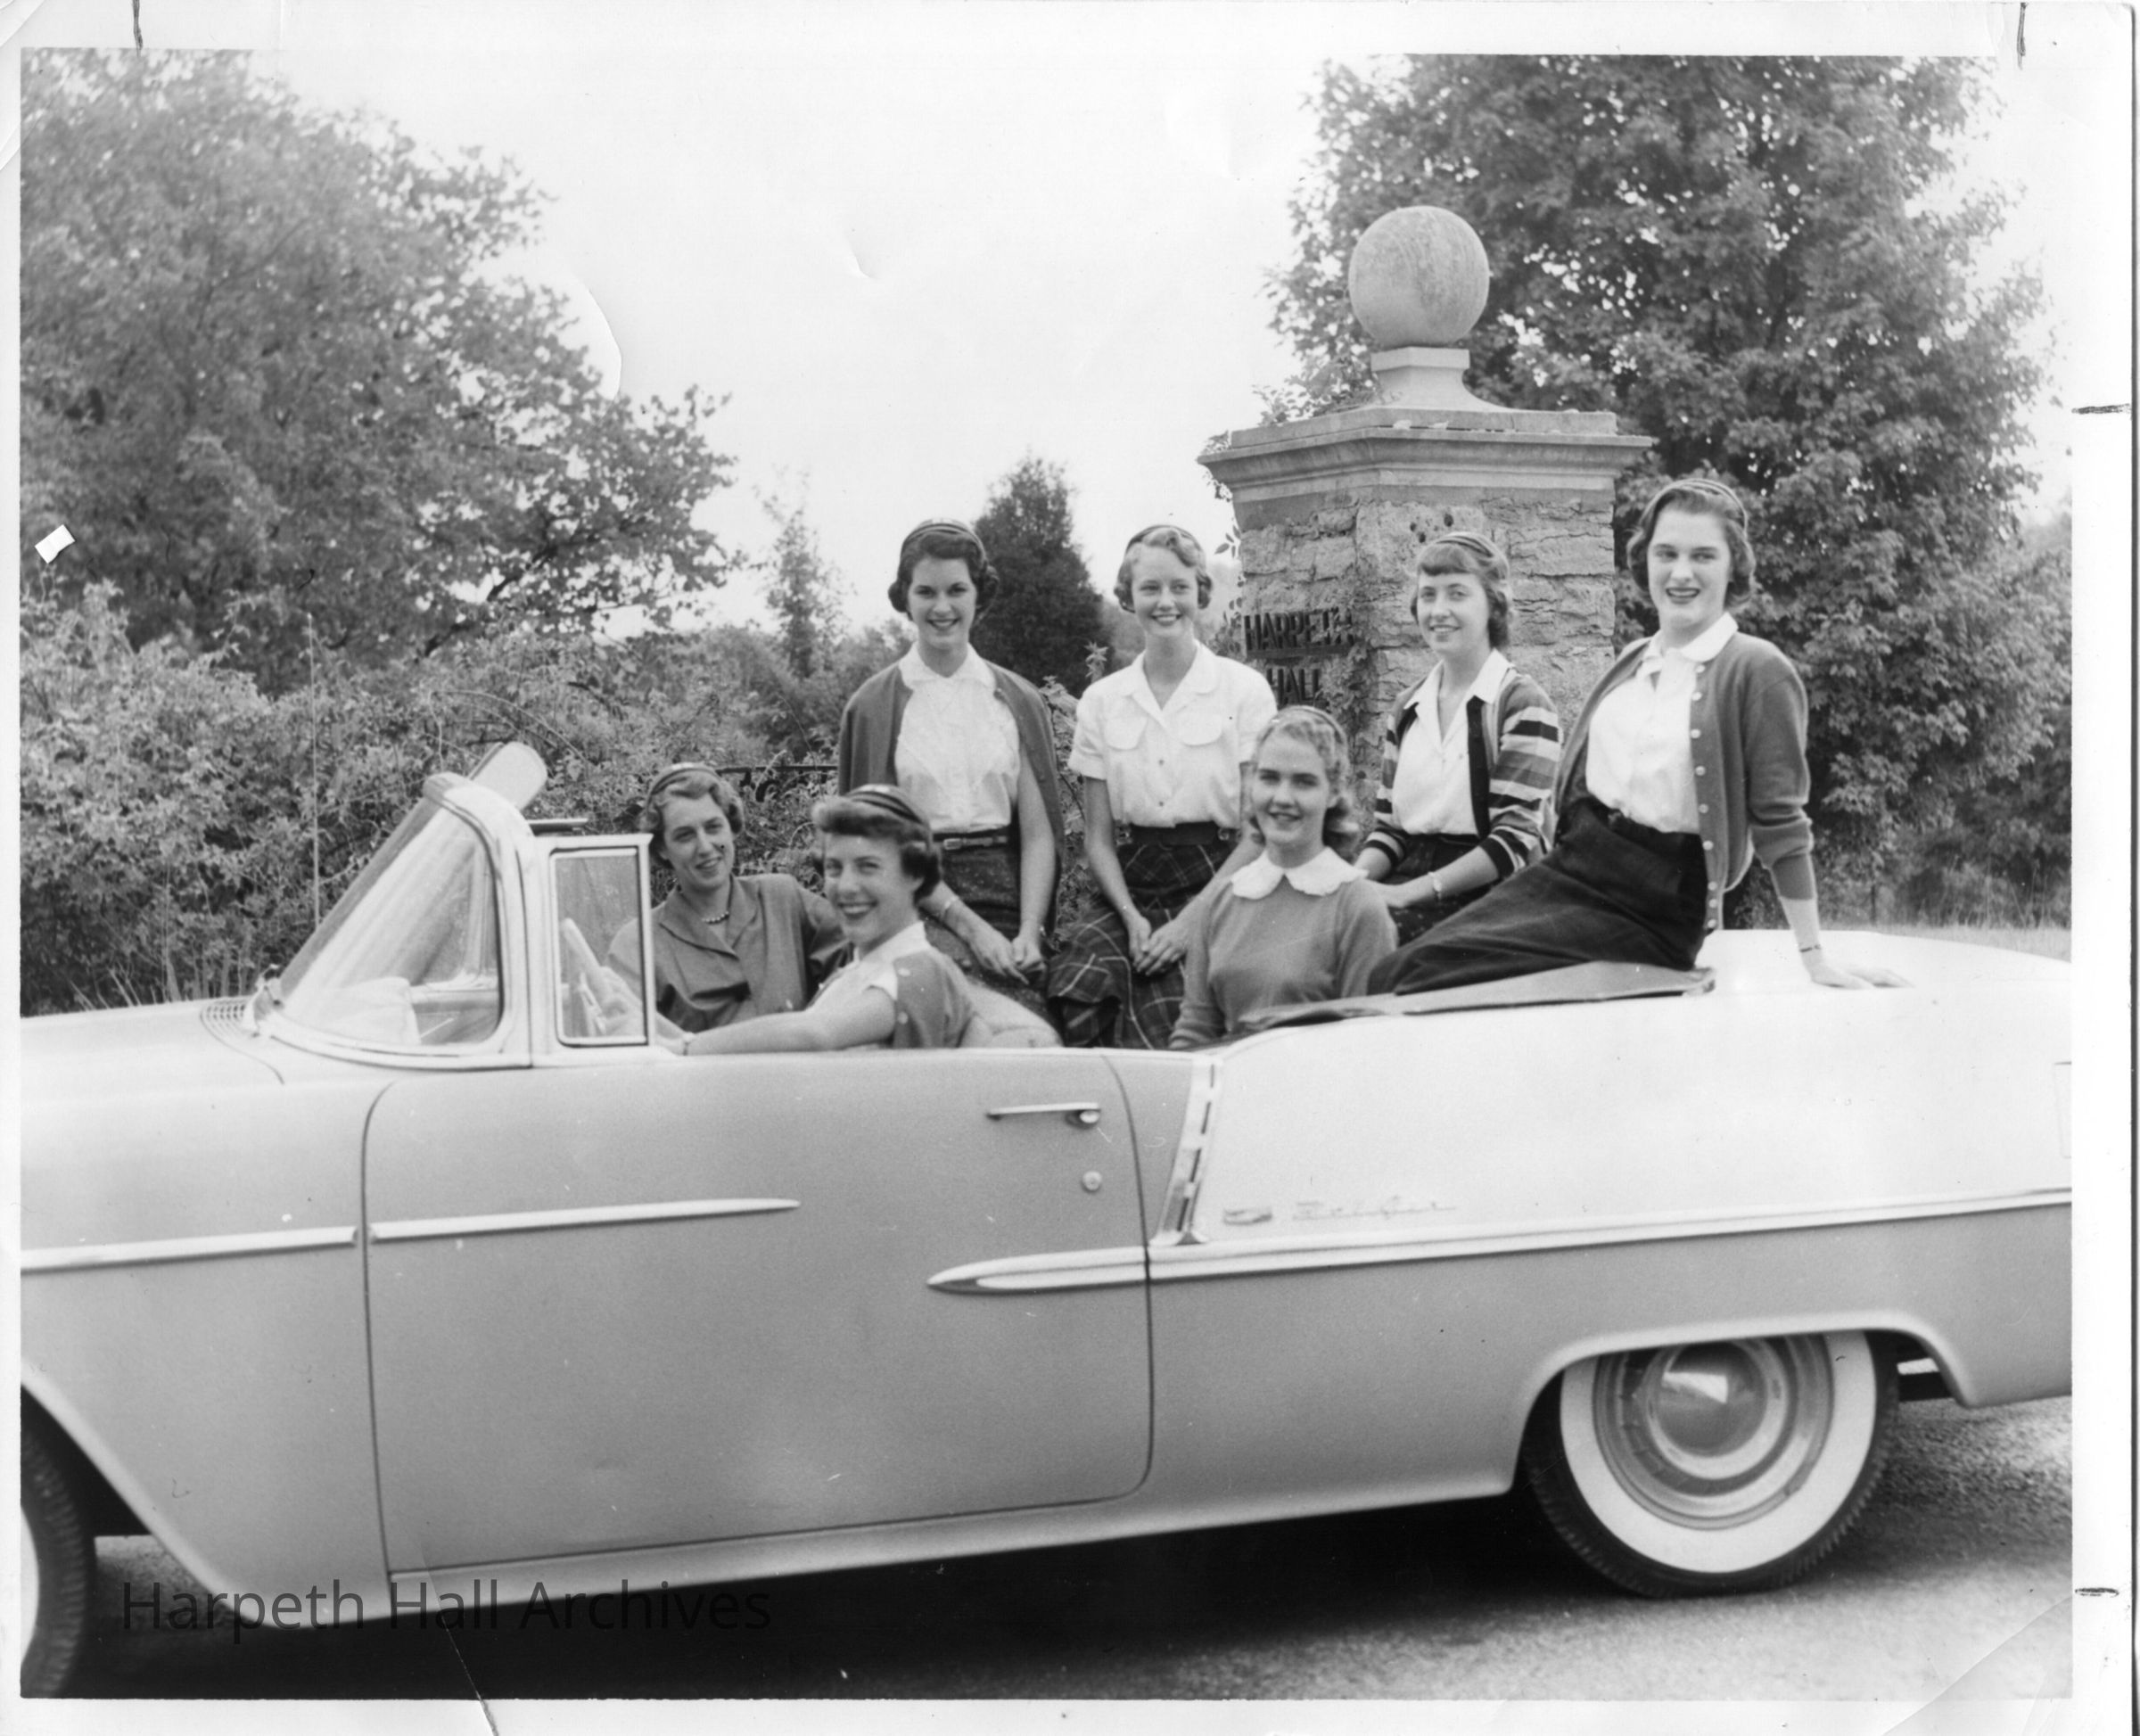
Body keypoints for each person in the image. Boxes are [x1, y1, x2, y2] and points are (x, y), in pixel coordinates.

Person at [1369, 477, 1901, 995]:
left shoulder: (1758, 670)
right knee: (1396, 964)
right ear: (1645, 559)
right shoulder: (1634, 659)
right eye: (1666, 554)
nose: (1681, 573)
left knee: (1421, 973)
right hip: (1572, 871)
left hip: (1654, 906)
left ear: (1734, 564)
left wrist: (1814, 956)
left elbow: (1781, 823)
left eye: (1703, 556)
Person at [1047, 524, 1276, 1047]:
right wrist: (1131, 920)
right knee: (1080, 986)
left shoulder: (1243, 690)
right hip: (1131, 889)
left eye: (1179, 586)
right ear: (1129, 596)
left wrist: (1188, 926)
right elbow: (1098, 840)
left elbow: (1256, 835)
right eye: (1150, 588)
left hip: (1220, 882)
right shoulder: (1103, 702)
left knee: (1181, 1008)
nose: (1165, 602)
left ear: (1201, 591)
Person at [836, 519, 1064, 1001]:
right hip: (910, 900)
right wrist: (970, 928)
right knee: (945, 999)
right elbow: (873, 845)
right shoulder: (873, 706)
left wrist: (1030, 933)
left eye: (957, 590)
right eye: (926, 592)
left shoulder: (1019, 701)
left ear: (979, 594)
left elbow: (1038, 835)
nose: (942, 607)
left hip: (1009, 898)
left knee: (1036, 1013)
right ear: (905, 598)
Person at [1358, 533, 1562, 944]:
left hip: (1490, 895)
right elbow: (1390, 830)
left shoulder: (1521, 705)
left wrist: (1406, 894)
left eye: (1457, 594)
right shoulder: (1407, 708)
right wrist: (1351, 883)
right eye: (1428, 595)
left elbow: (1511, 842)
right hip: (1407, 881)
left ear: (1494, 605)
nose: (1438, 611)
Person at [684, 786, 979, 1053]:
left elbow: (817, 1033)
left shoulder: (922, 969)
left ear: (915, 875)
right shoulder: (852, 975)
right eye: (834, 869)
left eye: (868, 867)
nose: (846, 887)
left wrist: (687, 1046)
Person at [1170, 707, 1396, 1047]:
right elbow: (1195, 1030)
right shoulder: (1219, 902)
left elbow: (1367, 1045)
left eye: (1304, 782)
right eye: (1269, 778)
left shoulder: (1358, 907)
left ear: (1334, 793)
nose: (1282, 798)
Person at [605, 762, 844, 1034]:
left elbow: (862, 954)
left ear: (731, 827)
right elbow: (621, 1033)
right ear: (662, 848)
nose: (705, 847)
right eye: (684, 836)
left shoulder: (783, 898)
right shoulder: (638, 943)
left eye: (713, 827)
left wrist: (819, 1019)